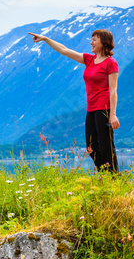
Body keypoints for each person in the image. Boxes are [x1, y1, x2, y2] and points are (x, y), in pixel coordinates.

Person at [28, 29, 119, 173]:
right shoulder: (89, 60)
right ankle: (105, 176)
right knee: (91, 147)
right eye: (91, 39)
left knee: (107, 146)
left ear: (104, 42)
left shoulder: (110, 63)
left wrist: (112, 114)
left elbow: (113, 91)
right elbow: (64, 50)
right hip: (91, 110)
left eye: (95, 39)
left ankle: (113, 180)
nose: (91, 42)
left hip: (104, 110)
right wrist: (46, 39)